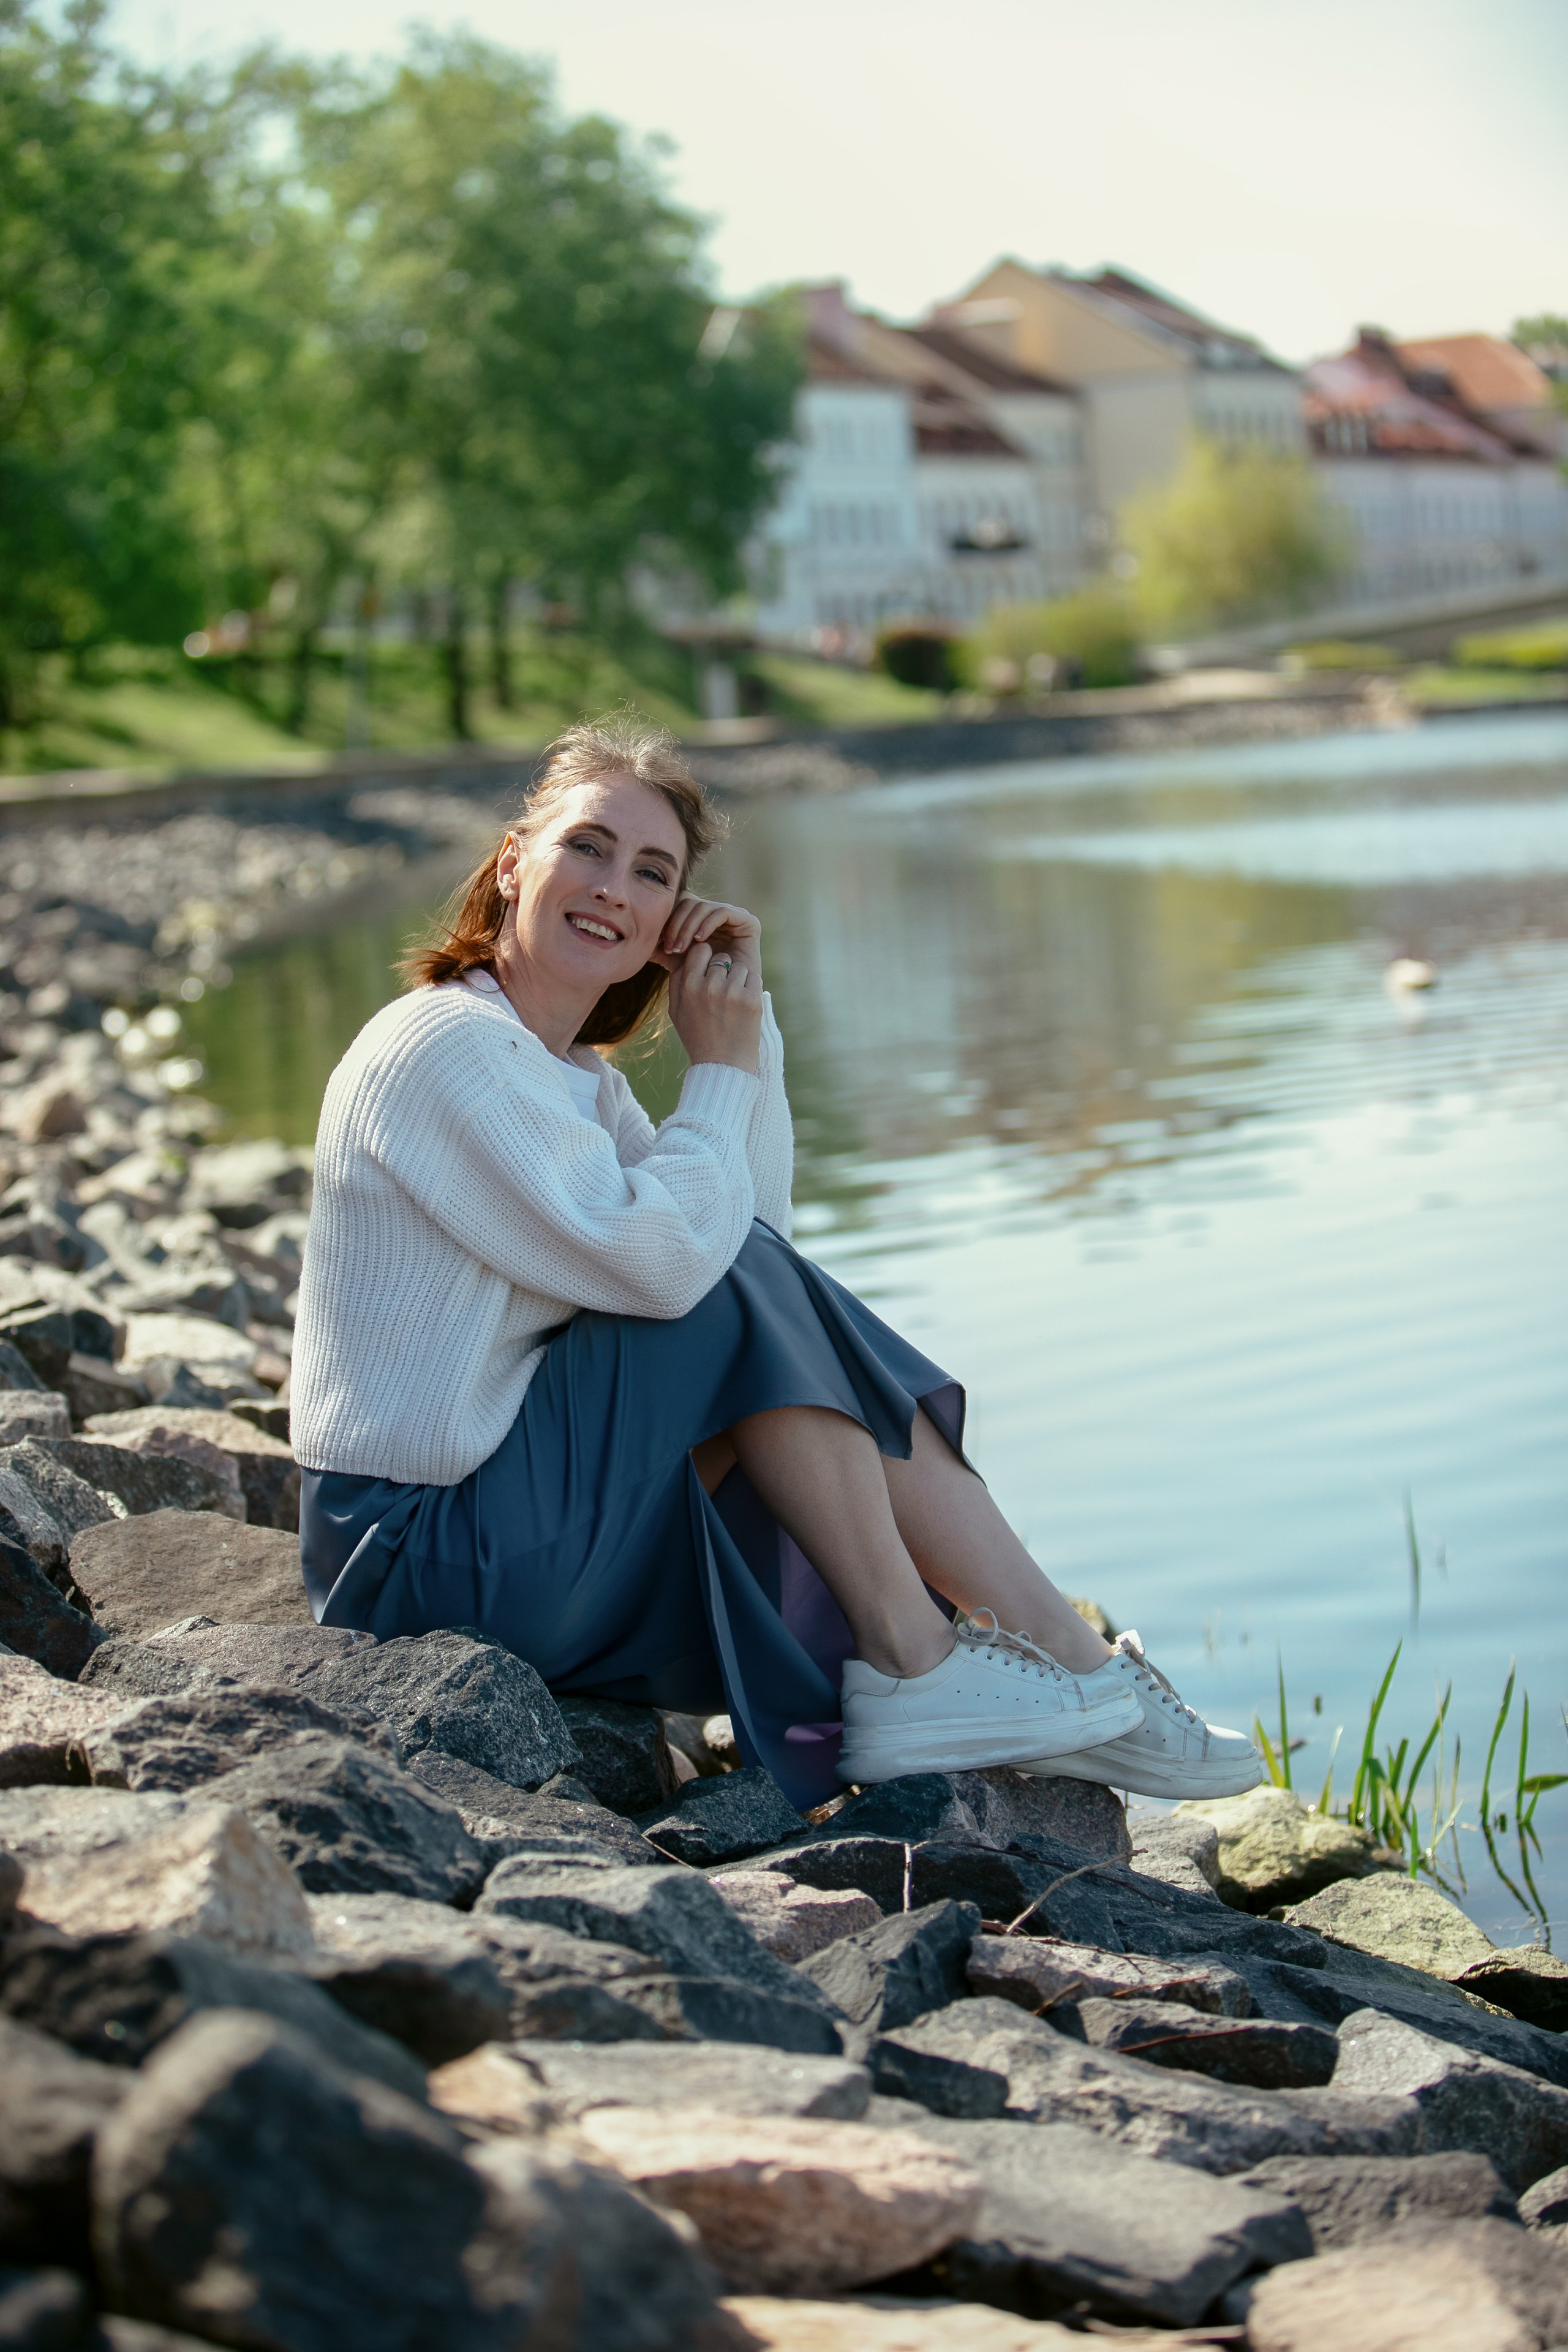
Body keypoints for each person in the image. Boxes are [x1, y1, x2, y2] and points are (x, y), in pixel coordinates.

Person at [292, 715, 1262, 1809]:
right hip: (411, 1557)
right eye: (588, 847)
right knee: (722, 1276)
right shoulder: (441, 1046)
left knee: (741, 1275)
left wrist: (747, 1045)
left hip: (511, 1529)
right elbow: (683, 1271)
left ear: (669, 922)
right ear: (515, 861)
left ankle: (1060, 1675)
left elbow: (756, 1248)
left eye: (652, 873)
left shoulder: (579, 1084)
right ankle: (936, 1660)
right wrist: (717, 1079)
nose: (615, 885)